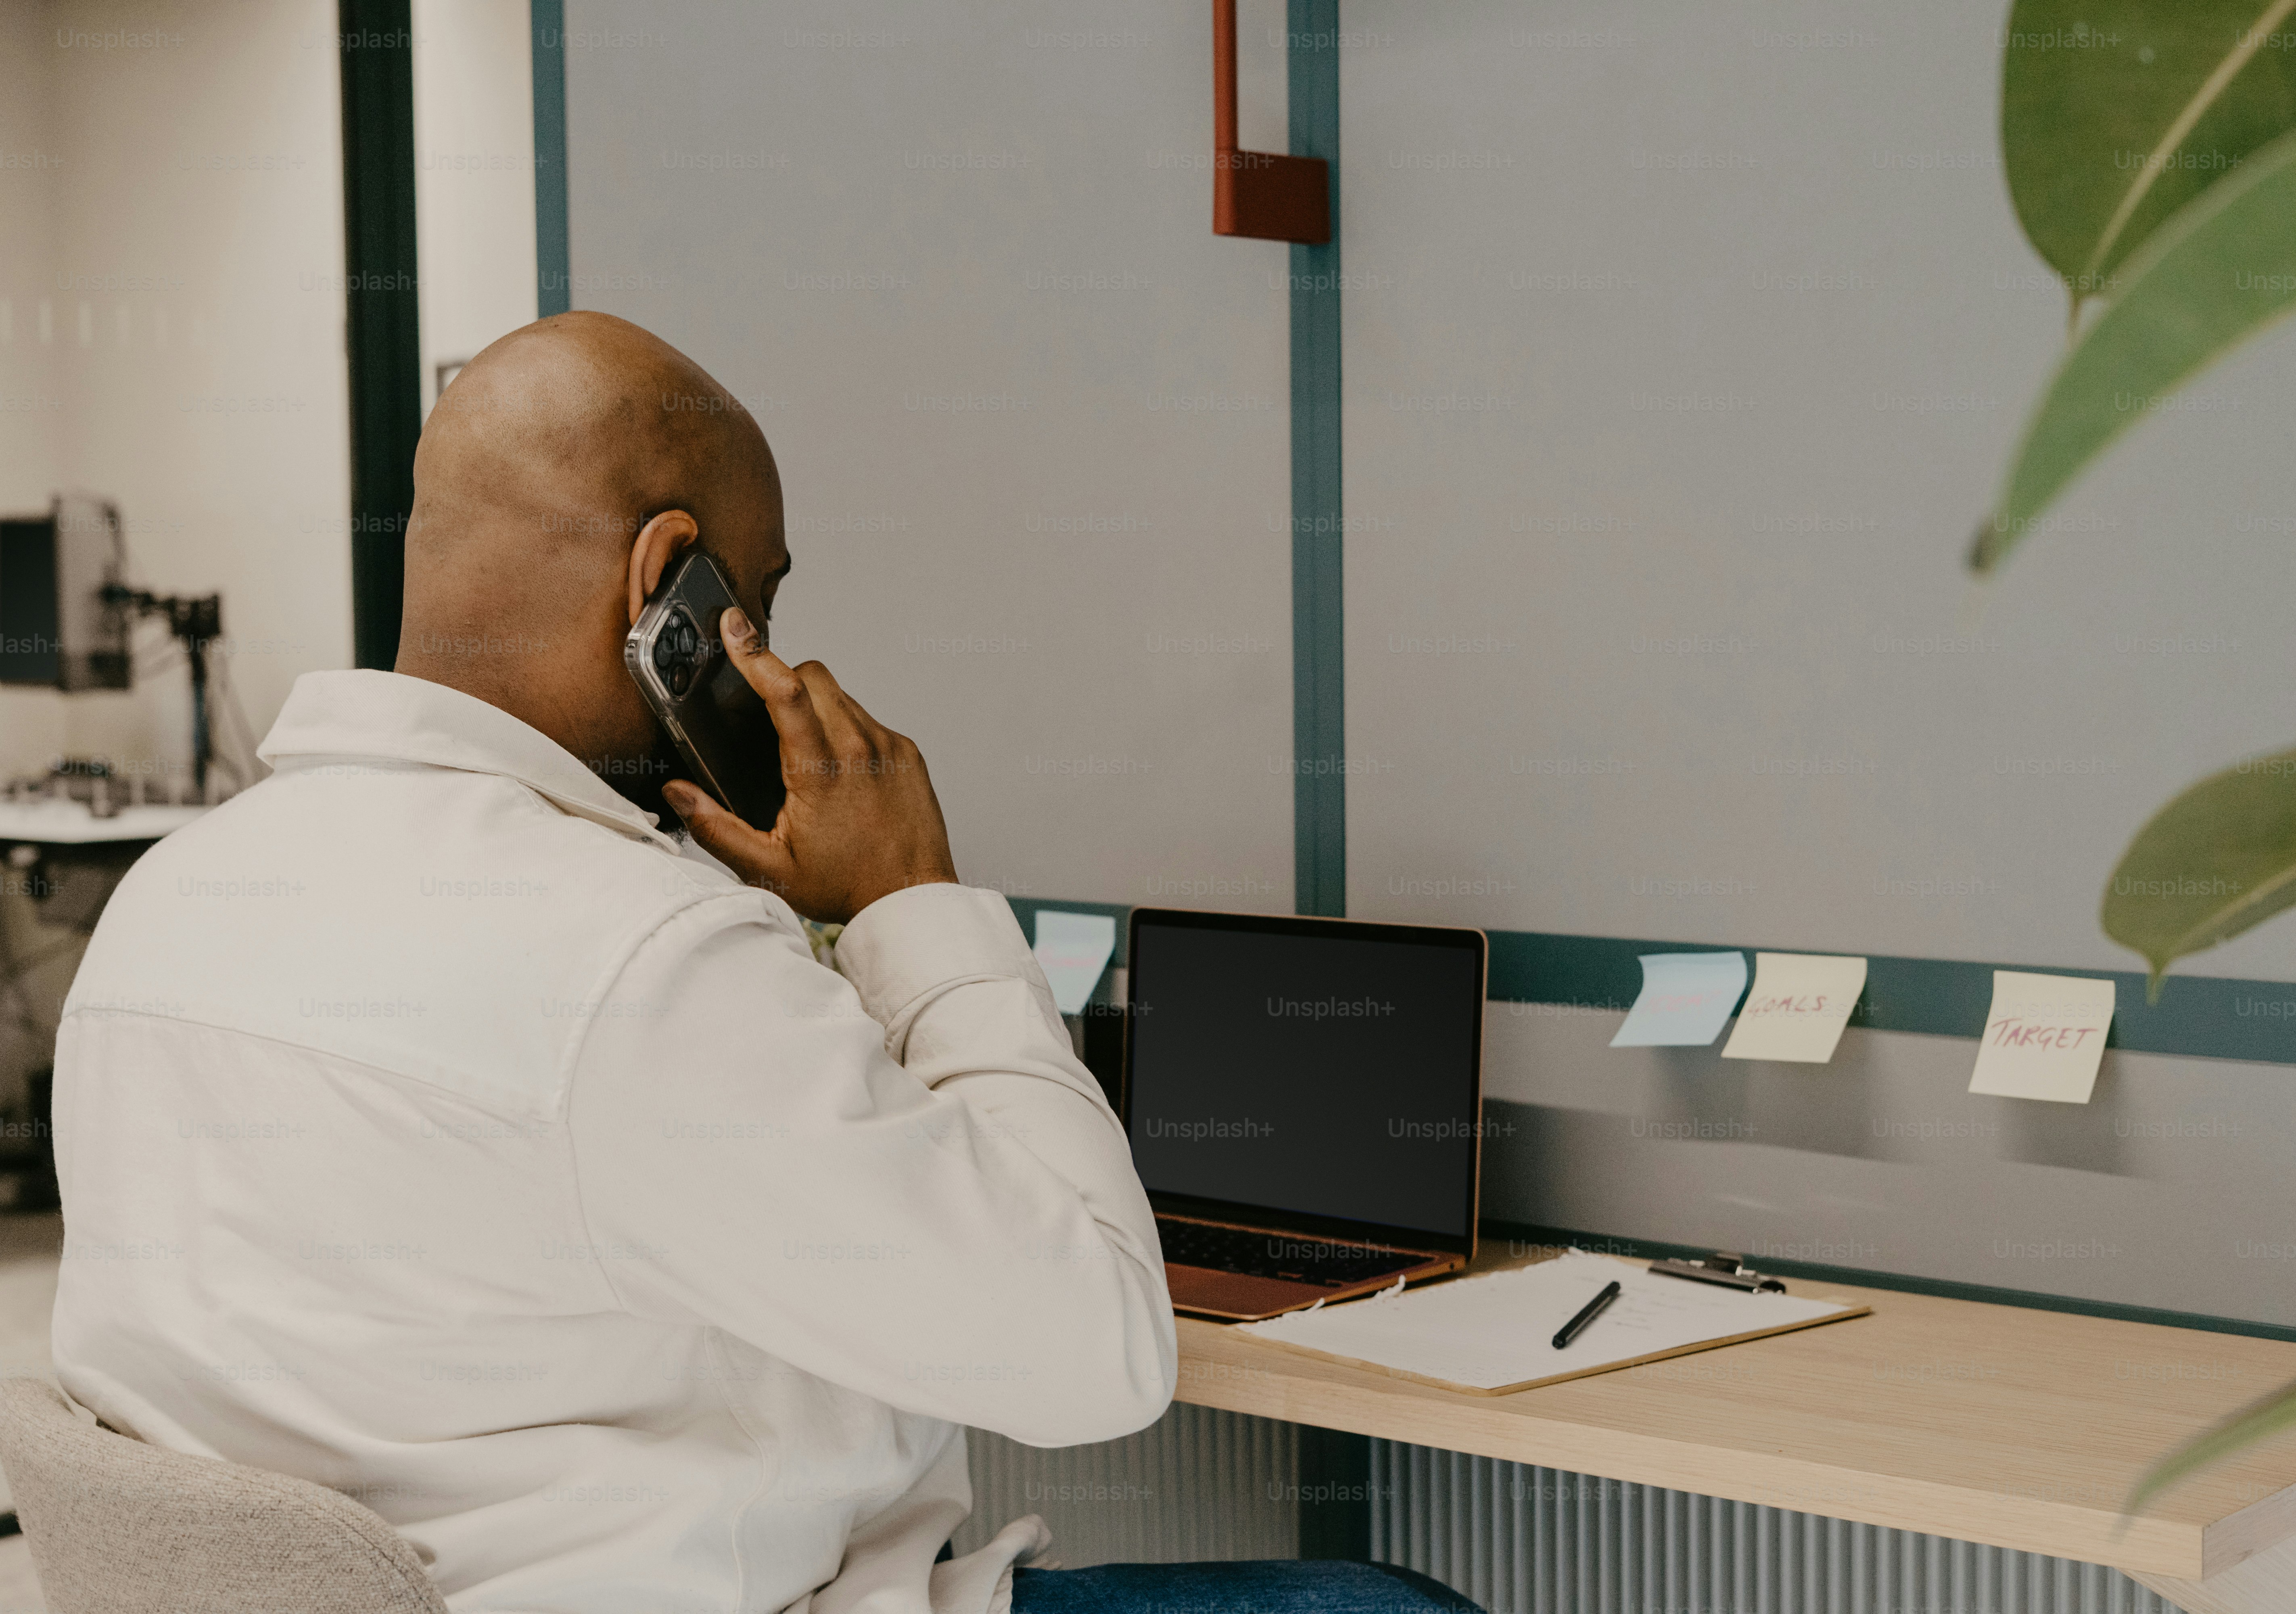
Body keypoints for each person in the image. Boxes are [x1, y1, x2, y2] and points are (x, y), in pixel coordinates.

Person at [49, 312, 1481, 1614]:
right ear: (668, 583)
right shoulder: (632, 960)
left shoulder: (170, 903)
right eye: (765, 605)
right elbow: (1099, 1351)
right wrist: (907, 899)